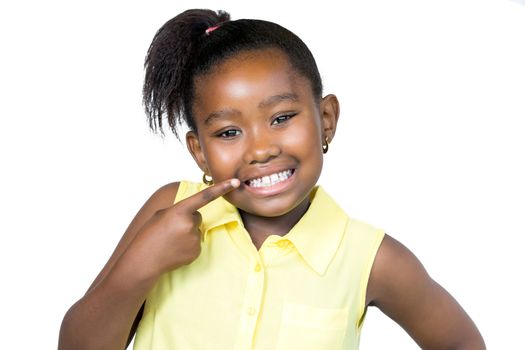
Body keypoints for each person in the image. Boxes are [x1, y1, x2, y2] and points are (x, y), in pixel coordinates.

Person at [58, 9, 485, 350]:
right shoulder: (170, 210)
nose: (260, 149)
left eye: (281, 118)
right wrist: (140, 267)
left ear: (327, 120)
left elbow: (461, 342)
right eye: (228, 132)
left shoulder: (371, 258)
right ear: (199, 151)